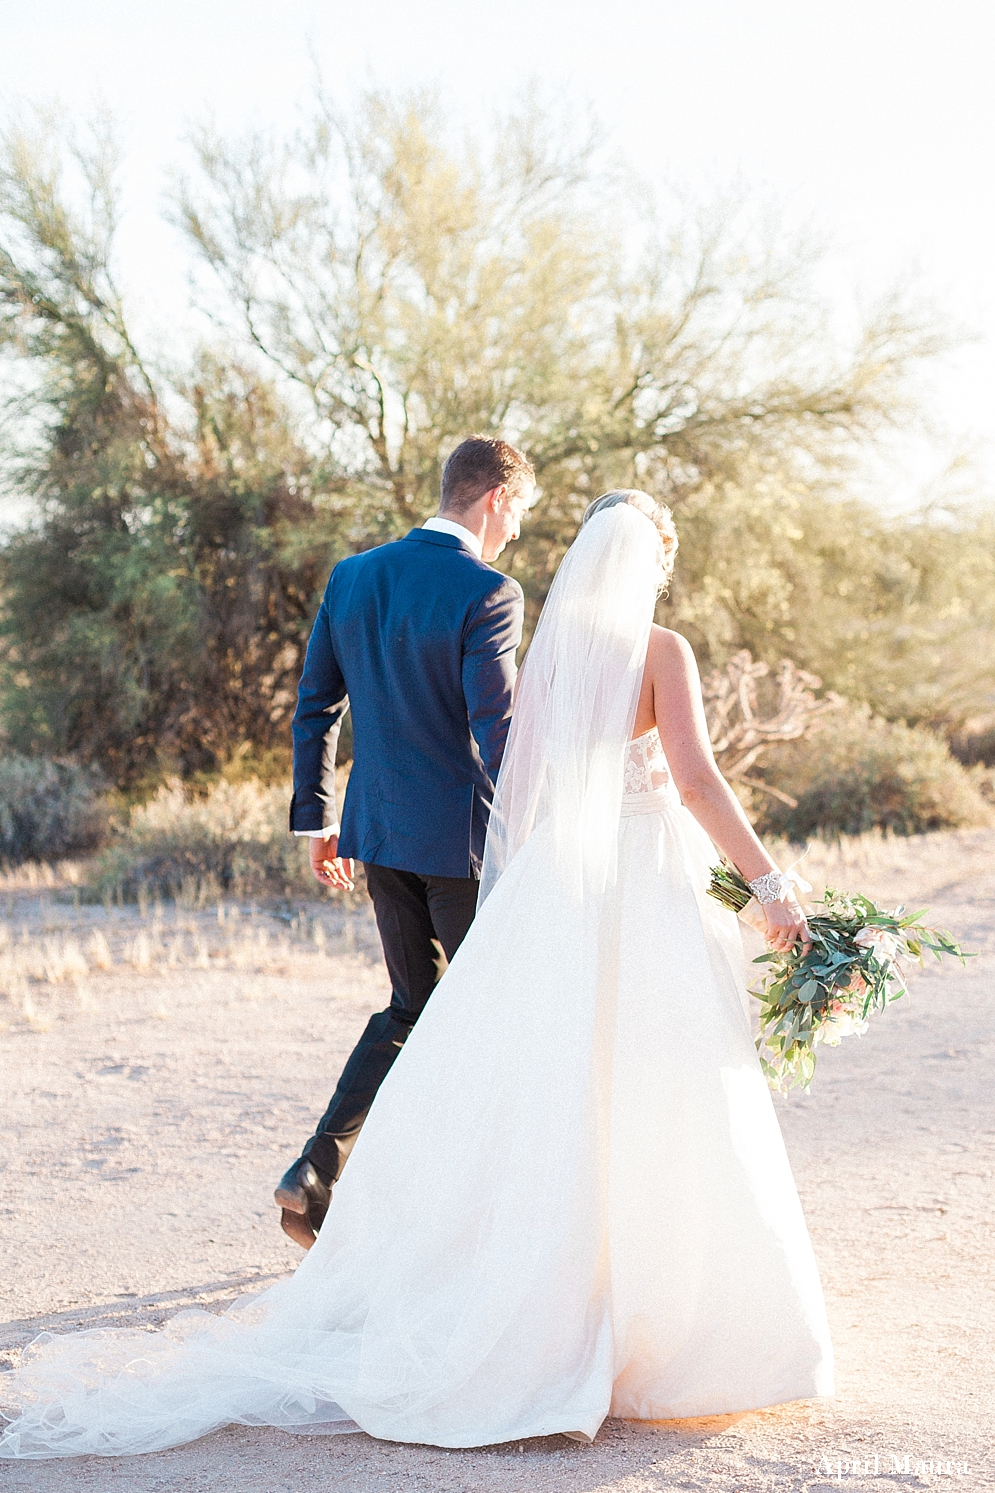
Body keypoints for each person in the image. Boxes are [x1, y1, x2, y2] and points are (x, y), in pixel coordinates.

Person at [0, 489, 833, 1460]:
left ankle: (494, 1267)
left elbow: (513, 775)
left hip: (527, 879)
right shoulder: (658, 650)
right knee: (662, 1084)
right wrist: (767, 884)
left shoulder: (549, 652)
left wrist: (512, 895)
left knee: (523, 1073)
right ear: (649, 560)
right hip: (641, 884)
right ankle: (664, 1326)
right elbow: (690, 779)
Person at [276, 436, 534, 1247]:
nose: (518, 532)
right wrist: (541, 825)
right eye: (520, 512)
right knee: (499, 1015)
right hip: (461, 847)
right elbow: (500, 730)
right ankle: (480, 1211)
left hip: (376, 835)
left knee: (411, 1007)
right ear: (495, 497)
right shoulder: (488, 590)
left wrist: (316, 819)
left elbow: (315, 705)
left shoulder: (354, 575)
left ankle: (317, 1168)